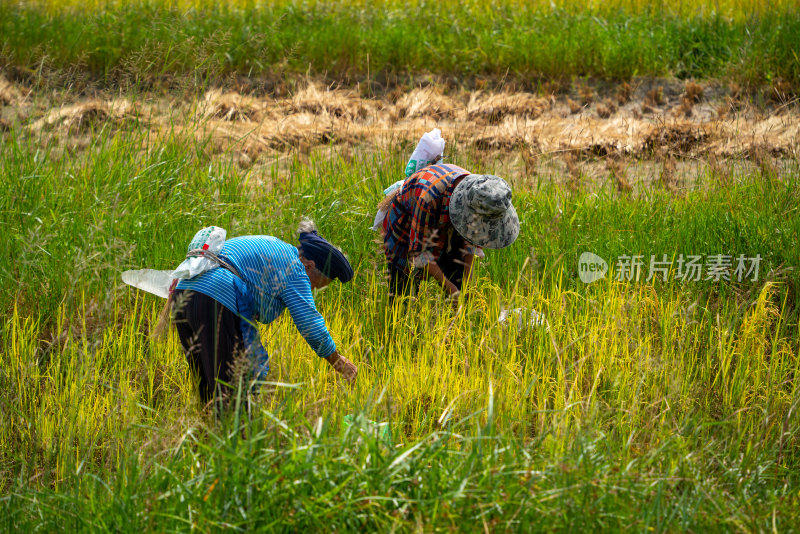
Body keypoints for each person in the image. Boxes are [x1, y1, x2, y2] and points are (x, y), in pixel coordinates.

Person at [169, 220, 357, 404]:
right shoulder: (295, 268)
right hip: (216, 297)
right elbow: (309, 323)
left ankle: (208, 430)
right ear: (309, 265)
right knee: (233, 392)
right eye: (316, 285)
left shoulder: (276, 248)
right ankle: (236, 433)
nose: (312, 290)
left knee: (208, 388)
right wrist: (336, 360)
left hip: (183, 292)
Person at [382, 163, 519, 300]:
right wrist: (451, 290)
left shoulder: (482, 196)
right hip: (406, 228)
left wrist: (468, 281)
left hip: (445, 222)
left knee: (462, 284)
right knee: (403, 297)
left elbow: (472, 238)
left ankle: (456, 316)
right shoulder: (428, 198)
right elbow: (419, 253)